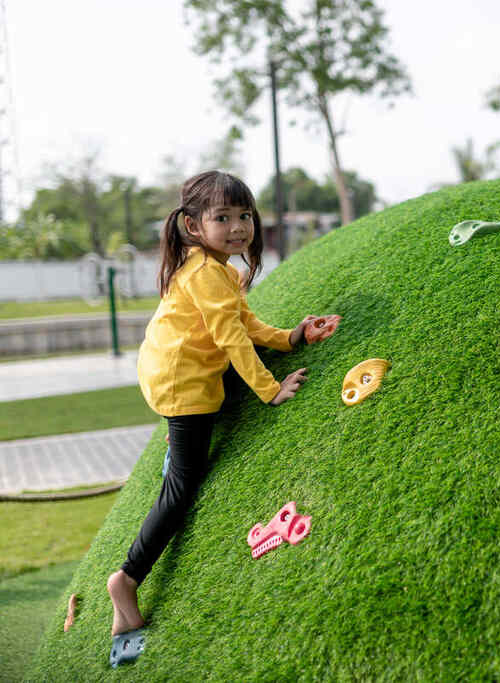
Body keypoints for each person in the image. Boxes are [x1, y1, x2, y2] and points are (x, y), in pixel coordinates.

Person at [107, 170, 318, 637]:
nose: (239, 226)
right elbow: (230, 339)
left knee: (188, 453)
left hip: (172, 369)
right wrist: (270, 389)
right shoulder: (205, 272)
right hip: (184, 384)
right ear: (194, 226)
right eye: (223, 217)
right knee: (181, 487)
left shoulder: (218, 270)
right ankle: (126, 578)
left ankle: (176, 434)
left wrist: (290, 338)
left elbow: (245, 322)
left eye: (245, 215)